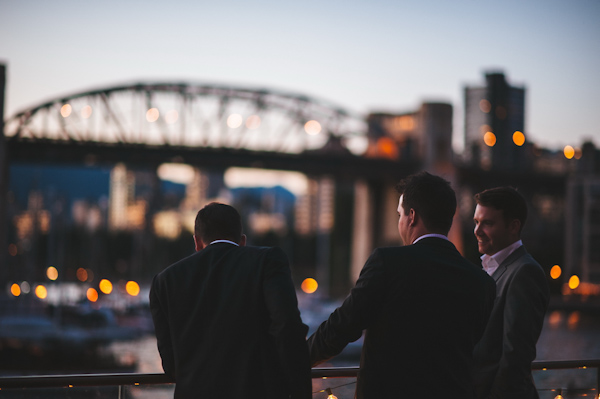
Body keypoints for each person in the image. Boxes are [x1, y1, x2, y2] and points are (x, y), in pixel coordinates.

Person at [307, 171, 496, 398]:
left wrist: (294, 359)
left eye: (400, 215)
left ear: (412, 216)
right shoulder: (482, 283)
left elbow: (342, 326)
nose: (399, 223)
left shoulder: (387, 264)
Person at [149, 202, 311, 399]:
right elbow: (287, 326)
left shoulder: (164, 281)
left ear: (197, 242)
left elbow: (171, 363)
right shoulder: (267, 261)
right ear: (242, 241)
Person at [472, 187, 549, 399]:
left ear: (514, 226)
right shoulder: (492, 268)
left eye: (487, 223)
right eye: (476, 222)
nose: (477, 231)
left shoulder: (525, 272)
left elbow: (516, 356)